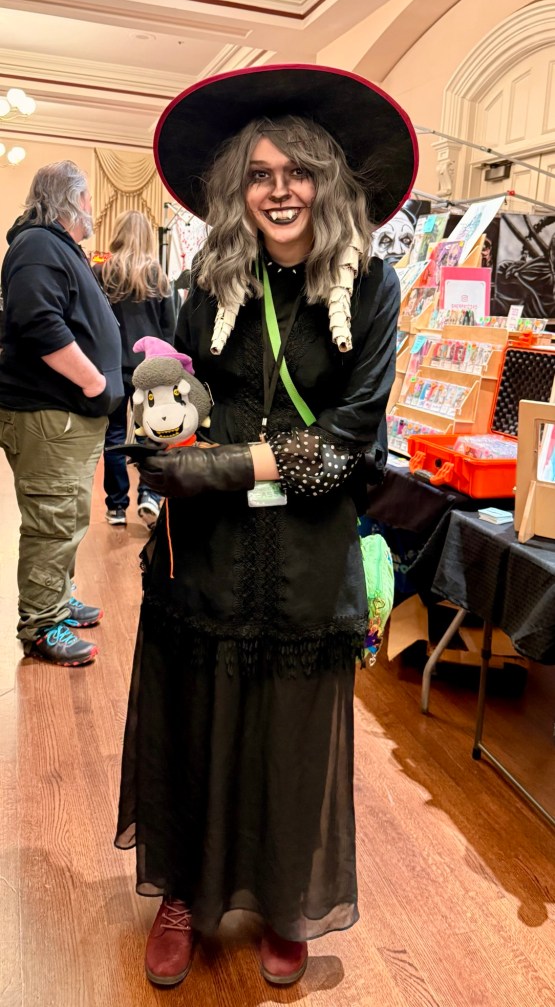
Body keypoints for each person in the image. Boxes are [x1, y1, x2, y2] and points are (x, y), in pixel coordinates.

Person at [115, 65, 417, 987]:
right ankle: (182, 891)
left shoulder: (373, 288)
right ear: (234, 189)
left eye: (297, 173)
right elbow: (174, 399)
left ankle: (286, 897)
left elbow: (350, 439)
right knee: (195, 715)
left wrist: (230, 465)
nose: (278, 191)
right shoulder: (205, 284)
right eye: (258, 174)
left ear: (328, 181)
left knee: (291, 733)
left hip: (307, 548)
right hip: (204, 549)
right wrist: (158, 440)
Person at [0, 160, 123, 667]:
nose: (93, 208)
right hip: (50, 415)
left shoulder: (53, 246)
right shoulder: (37, 244)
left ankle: (58, 600)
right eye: (89, 197)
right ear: (72, 200)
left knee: (67, 517)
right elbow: (38, 322)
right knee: (52, 523)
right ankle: (41, 625)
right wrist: (94, 381)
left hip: (66, 417)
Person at [94, 210, 176, 528]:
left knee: (114, 435)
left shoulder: (102, 273)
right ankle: (149, 496)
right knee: (151, 433)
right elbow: (169, 330)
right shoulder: (159, 276)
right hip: (151, 367)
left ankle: (116, 507)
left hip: (112, 367)